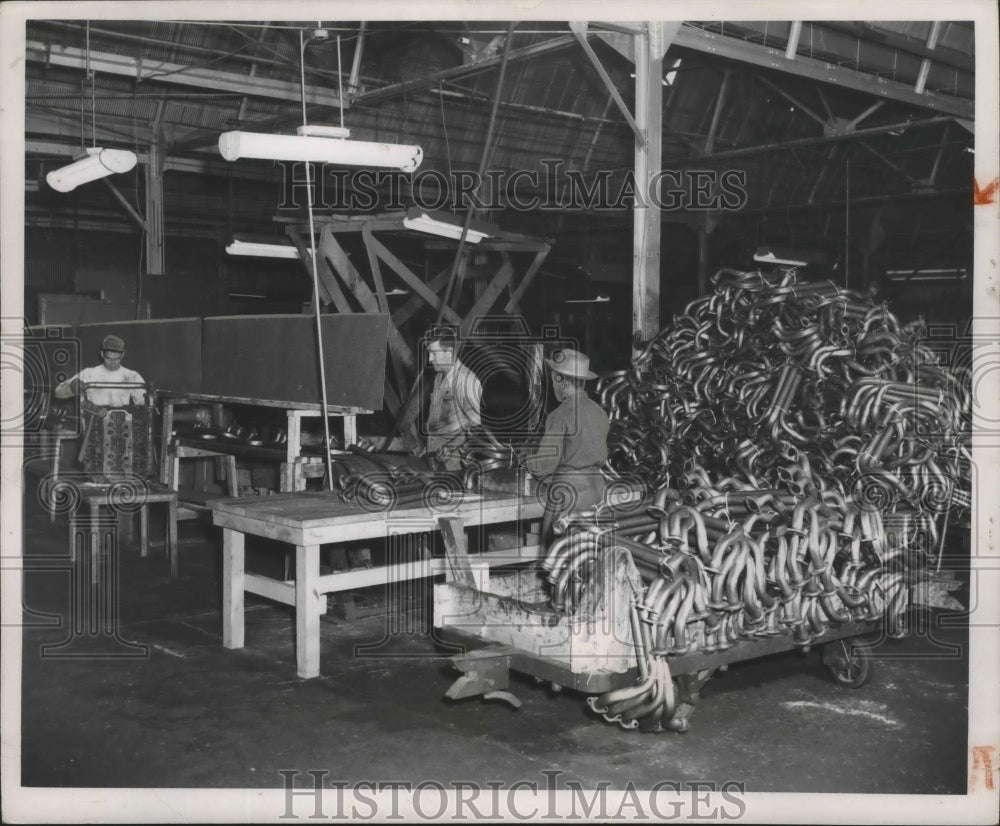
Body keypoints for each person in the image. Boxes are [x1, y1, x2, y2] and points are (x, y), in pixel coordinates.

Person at [523, 347, 610, 540]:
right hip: (597, 489)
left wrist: (527, 460)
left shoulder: (560, 415)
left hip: (570, 492)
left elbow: (545, 464)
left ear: (564, 381)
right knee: (590, 551)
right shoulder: (600, 412)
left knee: (559, 555)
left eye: (556, 378)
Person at [424, 328, 482, 472]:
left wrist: (449, 447)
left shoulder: (467, 380)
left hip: (454, 460)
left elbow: (474, 428)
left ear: (449, 352)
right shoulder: (439, 377)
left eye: (434, 353)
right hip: (434, 453)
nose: (430, 359)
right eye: (429, 353)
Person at [54, 334, 148, 416]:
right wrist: (71, 387)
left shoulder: (131, 376)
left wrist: (150, 400)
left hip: (122, 425)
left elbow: (143, 404)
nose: (113, 363)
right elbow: (58, 393)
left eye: (117, 359)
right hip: (93, 424)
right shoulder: (89, 374)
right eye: (109, 359)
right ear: (102, 354)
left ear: (122, 355)